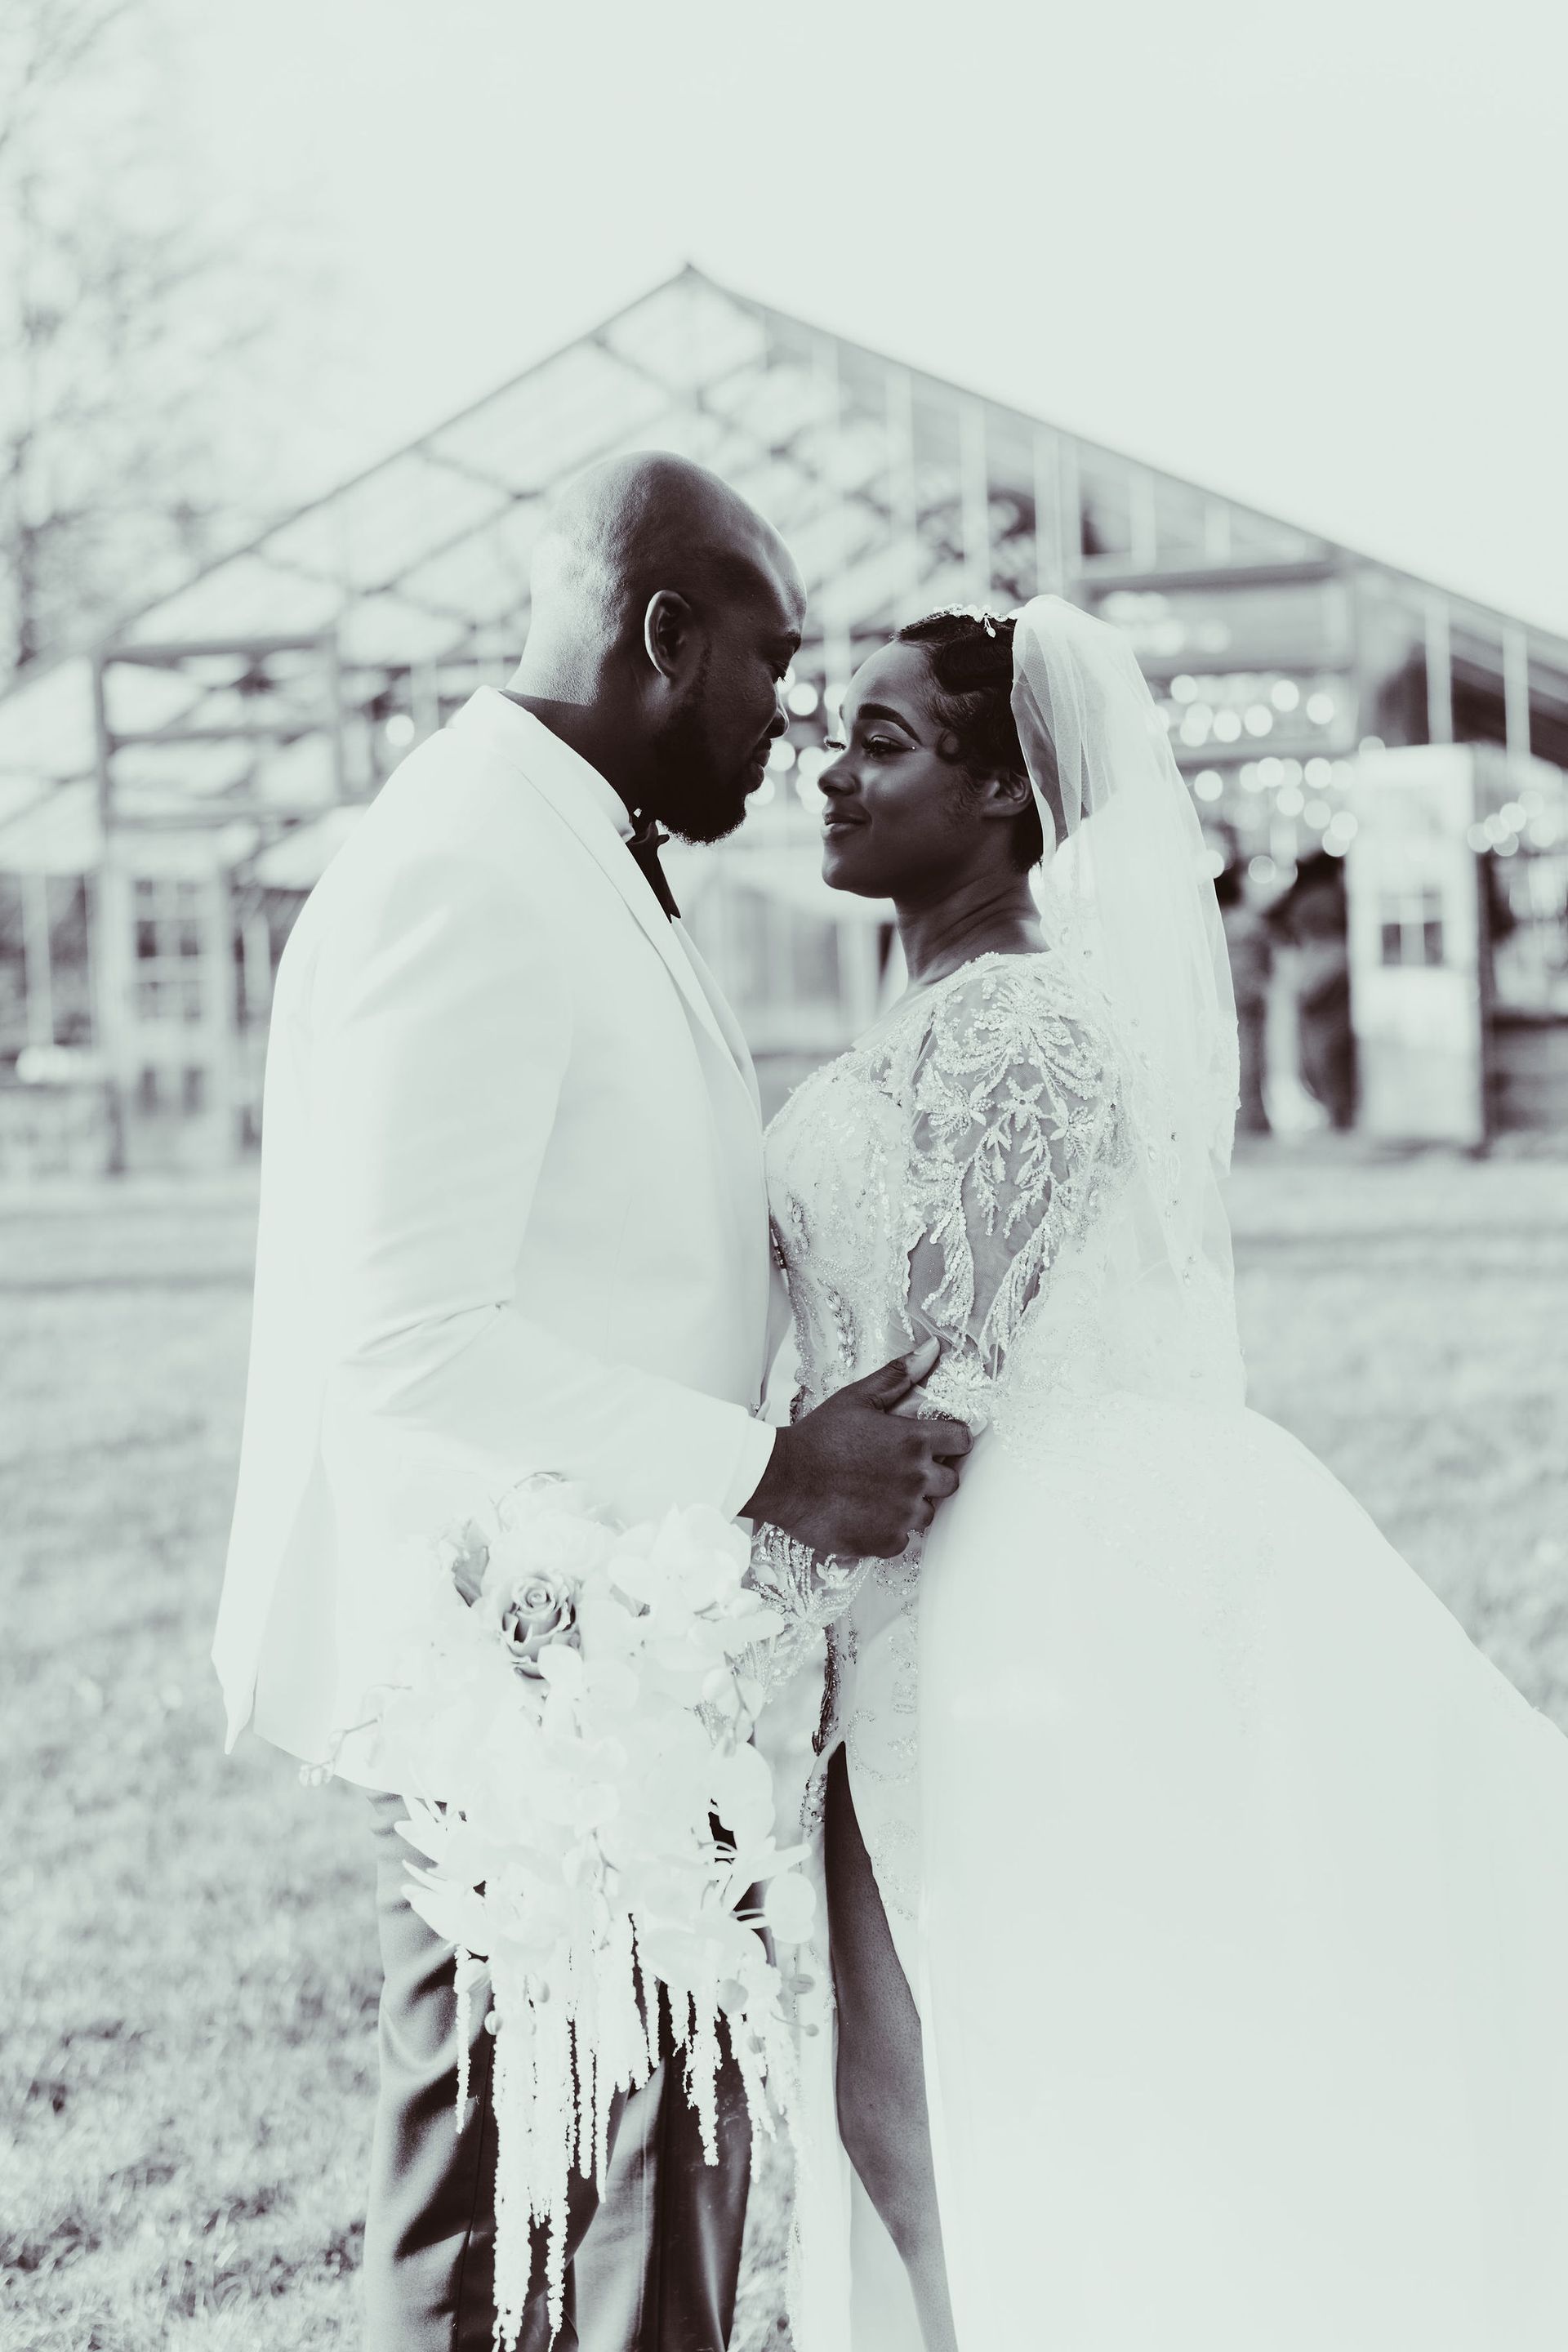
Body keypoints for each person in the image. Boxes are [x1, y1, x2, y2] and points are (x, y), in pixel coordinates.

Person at [212, 452, 970, 2352]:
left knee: (650, 2219)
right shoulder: (468, 868)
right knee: (506, 2223)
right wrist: (769, 1472)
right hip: (529, 1710)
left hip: (635, 1662)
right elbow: (404, 1333)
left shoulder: (565, 847)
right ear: (661, 634)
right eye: (773, 669)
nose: (787, 722)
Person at [760, 597, 1568, 2350]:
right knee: (916, 2098)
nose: (830, 765)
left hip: (1002, 1595)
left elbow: (934, 1377)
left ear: (1002, 798)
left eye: (882, 740)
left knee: (989, 2091)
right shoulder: (935, 1021)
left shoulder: (1017, 1033)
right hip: (914, 1587)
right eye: (834, 727)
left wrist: (748, 1556)